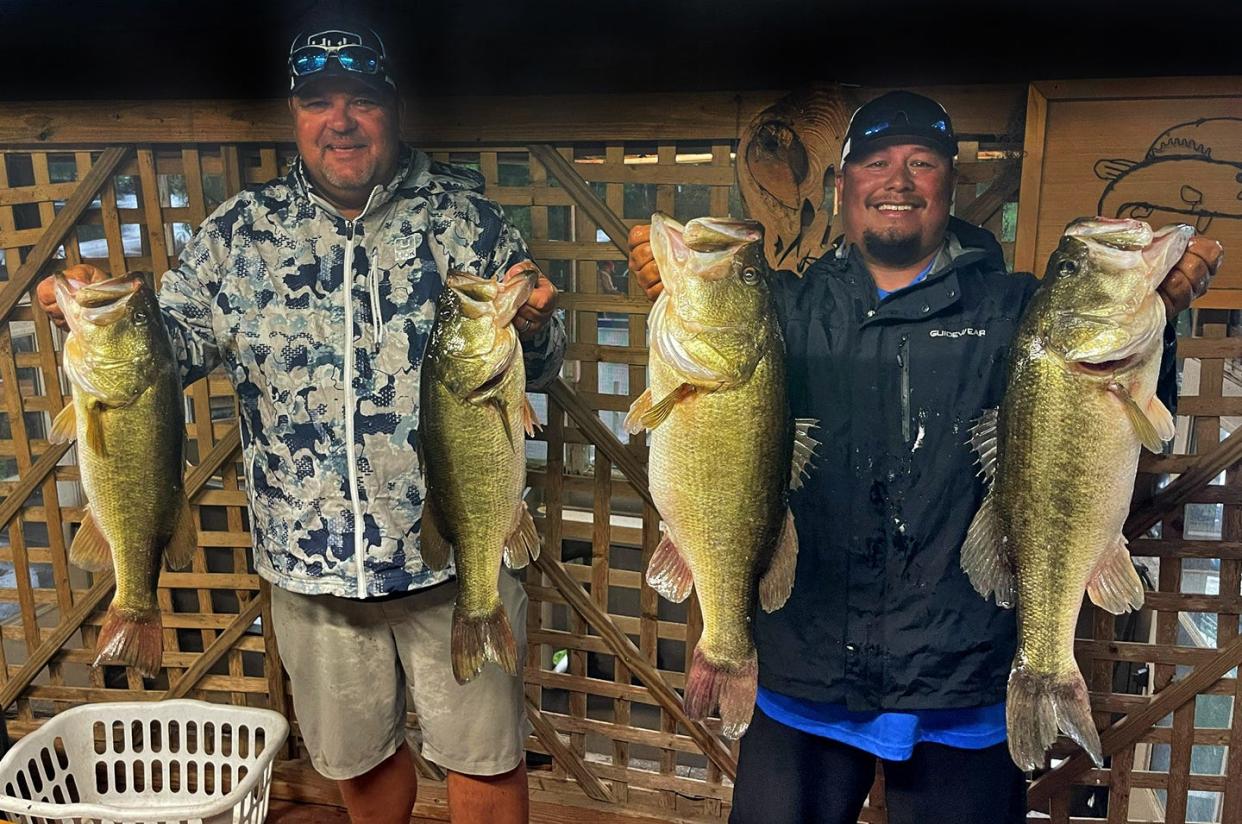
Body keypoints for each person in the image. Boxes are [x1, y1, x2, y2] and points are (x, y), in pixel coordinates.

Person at [628, 91, 1223, 824]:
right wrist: (675, 288)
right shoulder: (782, 308)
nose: (898, 180)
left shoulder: (1016, 311)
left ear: (950, 184)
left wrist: (1161, 311)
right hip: (804, 668)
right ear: (842, 187)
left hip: (962, 677)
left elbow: (1106, 421)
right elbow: (706, 399)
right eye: (875, 162)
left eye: (921, 162)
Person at [38, 15, 564, 824]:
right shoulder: (238, 234)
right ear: (296, 113)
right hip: (310, 567)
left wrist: (538, 324)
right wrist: (95, 320)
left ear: (393, 108)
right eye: (320, 101)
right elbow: (167, 346)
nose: (341, 120)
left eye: (361, 99)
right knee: (359, 765)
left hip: (454, 556)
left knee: (486, 760)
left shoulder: (467, 221)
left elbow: (545, 347)